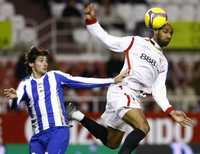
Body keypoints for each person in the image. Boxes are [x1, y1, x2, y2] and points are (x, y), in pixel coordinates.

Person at [70, 4, 194, 154]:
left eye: (171, 34)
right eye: (166, 31)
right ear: (155, 30)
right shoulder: (136, 42)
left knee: (112, 142)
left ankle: (76, 115)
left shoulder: (163, 62)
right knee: (143, 127)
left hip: (134, 98)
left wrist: (170, 111)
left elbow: (159, 90)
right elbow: (108, 40)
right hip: (123, 90)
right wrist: (91, 21)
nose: (168, 35)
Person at [3, 46, 127, 154]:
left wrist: (111, 80)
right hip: (37, 137)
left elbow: (82, 81)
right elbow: (13, 107)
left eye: (46, 61)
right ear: (31, 64)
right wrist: (13, 100)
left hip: (58, 131)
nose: (45, 63)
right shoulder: (24, 85)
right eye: (41, 61)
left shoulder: (55, 76)